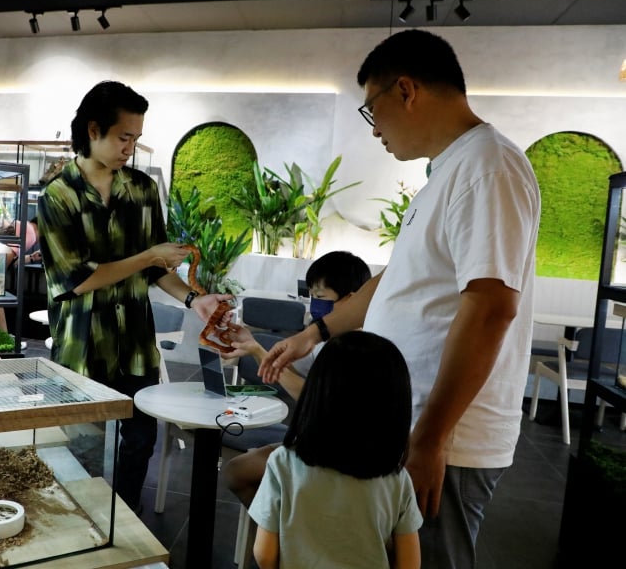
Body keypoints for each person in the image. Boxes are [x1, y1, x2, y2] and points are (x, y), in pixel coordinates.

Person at [258, 29, 540, 569]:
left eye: (372, 110)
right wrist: (313, 334)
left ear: (406, 90)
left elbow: (490, 308)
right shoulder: (449, 172)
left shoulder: (488, 168)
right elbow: (396, 282)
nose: (376, 130)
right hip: (404, 422)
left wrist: (432, 439)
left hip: (444, 433)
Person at [36, 80, 231, 513]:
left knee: (139, 441)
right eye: (124, 137)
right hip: (83, 342)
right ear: (92, 130)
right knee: (82, 444)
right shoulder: (57, 197)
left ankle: (127, 526)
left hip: (136, 343)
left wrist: (192, 299)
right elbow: (79, 279)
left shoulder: (142, 190)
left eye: (136, 139)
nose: (131, 148)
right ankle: (79, 528)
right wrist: (148, 256)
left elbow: (158, 270)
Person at [249, 330, 422, 569]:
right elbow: (410, 564)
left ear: (316, 394)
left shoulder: (283, 463)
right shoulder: (397, 479)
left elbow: (264, 555)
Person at [220, 250, 371, 507]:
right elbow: (284, 368)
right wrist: (254, 348)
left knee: (238, 473)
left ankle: (284, 534)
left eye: (321, 298)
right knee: (241, 473)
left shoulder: (361, 349)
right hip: (315, 442)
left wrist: (258, 351)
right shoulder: (323, 340)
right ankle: (282, 533)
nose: (314, 305)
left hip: (341, 455)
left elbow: (312, 397)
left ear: (351, 300)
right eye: (311, 296)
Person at [0, 217, 41, 333]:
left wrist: (32, 258)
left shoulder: (25, 225)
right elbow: (6, 255)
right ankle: (4, 337)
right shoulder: (31, 234)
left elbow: (12, 257)